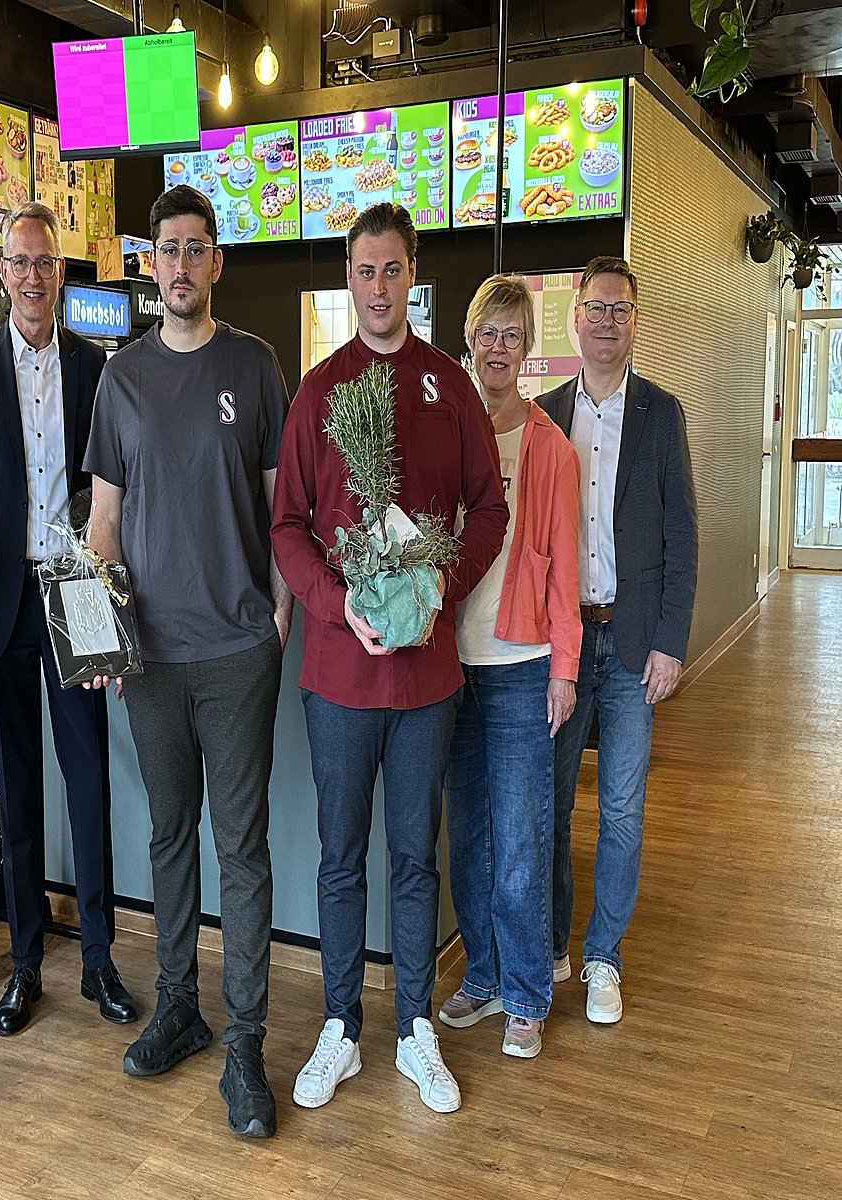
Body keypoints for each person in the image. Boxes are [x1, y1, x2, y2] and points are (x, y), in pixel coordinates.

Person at [270, 203, 509, 1115]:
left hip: (425, 681)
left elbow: (490, 509)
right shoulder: (318, 391)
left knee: (414, 859)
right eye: (365, 270)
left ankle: (414, 1029)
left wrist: (443, 582)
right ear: (349, 278)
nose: (378, 286)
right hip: (338, 677)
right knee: (340, 858)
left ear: (414, 274)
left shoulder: (449, 385)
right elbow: (288, 526)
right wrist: (336, 605)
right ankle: (341, 1027)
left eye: (393, 269)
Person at [83, 184, 291, 1139]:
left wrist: (280, 613)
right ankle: (180, 1007)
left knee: (240, 849)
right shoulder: (120, 379)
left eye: (194, 248)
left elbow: (280, 507)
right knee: (170, 835)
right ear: (151, 262)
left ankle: (245, 1041)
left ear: (216, 262)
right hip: (152, 661)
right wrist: (102, 637)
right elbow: (104, 524)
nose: (179, 264)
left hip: (240, 652)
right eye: (166, 249)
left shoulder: (253, 366)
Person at [0, 202, 136, 1037]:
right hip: (0, 602)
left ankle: (98, 958)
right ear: (3, 274)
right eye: (19, 262)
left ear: (61, 274)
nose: (32, 276)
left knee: (88, 780)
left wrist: (116, 598)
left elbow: (116, 489)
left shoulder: (95, 366)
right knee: (16, 787)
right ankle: (25, 962)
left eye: (44, 263)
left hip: (78, 589)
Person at [538, 256, 697, 1024]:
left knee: (623, 810)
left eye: (620, 309)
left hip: (633, 644)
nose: (607, 321)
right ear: (576, 316)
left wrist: (671, 641)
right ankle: (552, 945)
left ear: (636, 321)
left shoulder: (662, 414)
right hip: (563, 647)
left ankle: (604, 956)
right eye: (596, 307)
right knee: (552, 804)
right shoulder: (544, 414)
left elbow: (682, 534)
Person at [435, 274, 581, 1061]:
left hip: (524, 664)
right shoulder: (445, 428)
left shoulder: (550, 448)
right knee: (469, 835)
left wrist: (565, 668)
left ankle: (526, 994)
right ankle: (484, 976)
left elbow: (563, 565)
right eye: (488, 332)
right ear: (470, 340)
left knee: (522, 837)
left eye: (512, 335)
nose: (499, 347)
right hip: (450, 663)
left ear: (528, 349)